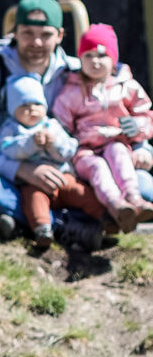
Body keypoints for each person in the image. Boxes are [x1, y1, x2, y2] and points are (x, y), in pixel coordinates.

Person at [0, 0, 142, 250]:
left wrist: (142, 148)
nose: (36, 42)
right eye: (27, 33)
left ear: (60, 35)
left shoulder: (79, 72)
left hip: (75, 175)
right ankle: (64, 223)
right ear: (15, 33)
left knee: (144, 185)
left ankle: (24, 223)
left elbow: (120, 118)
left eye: (45, 34)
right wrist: (22, 170)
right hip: (10, 179)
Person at [51, 23, 153, 236]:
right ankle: (117, 207)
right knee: (98, 169)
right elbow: (61, 126)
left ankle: (134, 199)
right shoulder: (72, 90)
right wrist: (66, 151)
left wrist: (138, 127)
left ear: (113, 59)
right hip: (85, 151)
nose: (95, 62)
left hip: (117, 142)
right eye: (88, 56)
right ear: (80, 59)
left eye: (102, 56)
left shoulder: (125, 86)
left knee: (119, 155)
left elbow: (146, 115)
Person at [0, 73, 106, 247]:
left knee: (82, 193)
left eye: (37, 104)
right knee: (34, 200)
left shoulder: (52, 125)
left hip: (63, 176)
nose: (32, 110)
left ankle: (106, 219)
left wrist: (54, 144)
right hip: (32, 182)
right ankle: (43, 229)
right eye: (24, 106)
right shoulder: (11, 129)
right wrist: (30, 144)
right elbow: (8, 150)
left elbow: (69, 149)